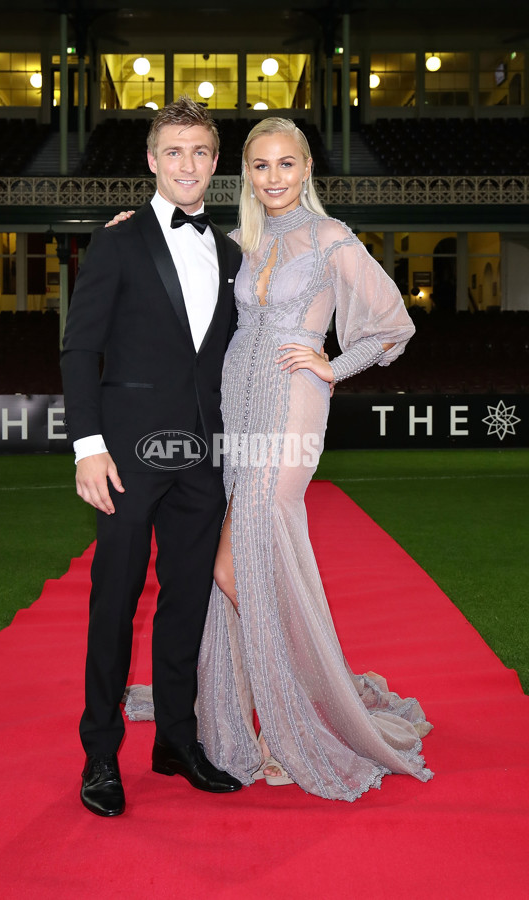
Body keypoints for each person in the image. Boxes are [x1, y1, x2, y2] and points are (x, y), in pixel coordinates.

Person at [120, 116, 433, 800]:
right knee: (240, 560)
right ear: (248, 176)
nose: (273, 178)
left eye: (285, 165)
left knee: (237, 561)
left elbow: (393, 326)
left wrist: (331, 364)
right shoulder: (240, 244)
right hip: (232, 407)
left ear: (307, 169)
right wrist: (133, 227)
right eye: (260, 166)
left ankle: (296, 718)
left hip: (292, 406)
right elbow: (178, 275)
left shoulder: (333, 239)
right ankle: (253, 707)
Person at [61, 96, 243, 818]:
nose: (188, 164)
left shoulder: (228, 252)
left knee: (187, 602)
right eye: (174, 151)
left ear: (215, 162)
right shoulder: (117, 241)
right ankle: (101, 754)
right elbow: (80, 347)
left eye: (199, 151)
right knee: (114, 602)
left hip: (203, 459)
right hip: (127, 457)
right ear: (151, 159)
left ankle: (176, 739)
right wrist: (87, 447)